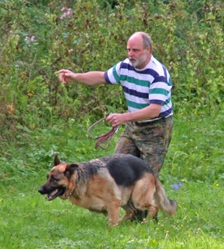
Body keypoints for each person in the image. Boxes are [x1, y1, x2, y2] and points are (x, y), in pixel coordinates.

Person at [57, 31, 174, 177]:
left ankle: (150, 200)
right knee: (116, 170)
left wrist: (124, 117)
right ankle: (119, 199)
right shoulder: (125, 66)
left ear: (148, 50)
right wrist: (75, 77)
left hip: (156, 129)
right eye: (128, 50)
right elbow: (101, 77)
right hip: (133, 126)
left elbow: (154, 110)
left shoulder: (158, 74)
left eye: (135, 50)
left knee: (145, 179)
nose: (131, 54)